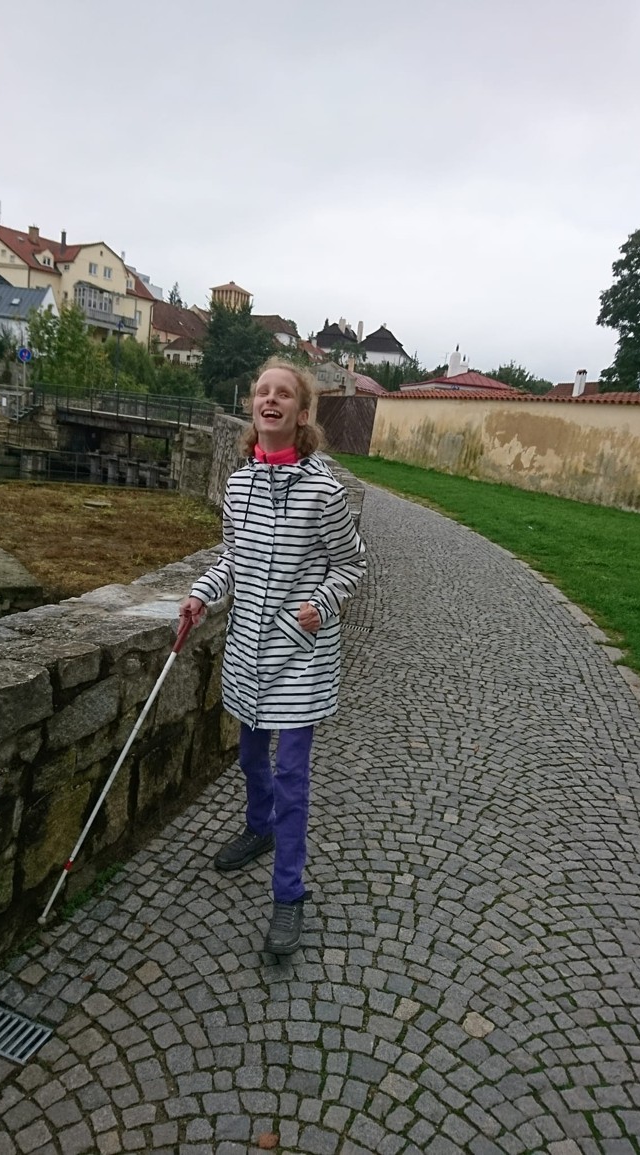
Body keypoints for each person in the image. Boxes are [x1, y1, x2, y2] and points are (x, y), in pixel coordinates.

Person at [179, 357, 366, 955]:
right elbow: (231, 561)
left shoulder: (324, 490)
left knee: (291, 776)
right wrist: (201, 595)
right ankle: (258, 828)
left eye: (284, 394)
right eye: (263, 391)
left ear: (302, 413)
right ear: (252, 407)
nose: (271, 399)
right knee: (249, 756)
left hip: (300, 653)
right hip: (246, 649)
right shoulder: (239, 486)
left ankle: (289, 893)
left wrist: (320, 604)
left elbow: (352, 564)